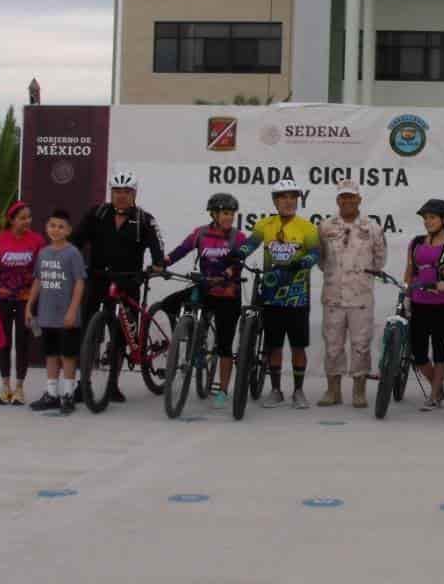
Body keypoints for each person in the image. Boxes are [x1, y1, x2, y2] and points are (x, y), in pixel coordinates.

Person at [71, 169, 166, 403]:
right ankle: (83, 384)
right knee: (88, 335)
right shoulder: (97, 213)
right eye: (117, 191)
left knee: (121, 336)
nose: (121, 196)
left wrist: (157, 264)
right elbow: (76, 241)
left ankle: (113, 385)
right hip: (98, 280)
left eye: (126, 191)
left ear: (134, 194)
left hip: (128, 282)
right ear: (111, 193)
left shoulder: (145, 220)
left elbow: (157, 249)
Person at [237, 175, 321, 409]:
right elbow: (251, 243)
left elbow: (316, 254)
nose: (288, 201)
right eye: (282, 197)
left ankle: (298, 391)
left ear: (298, 200)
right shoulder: (265, 225)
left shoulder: (307, 227)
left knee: (297, 346)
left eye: (292, 197)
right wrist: (239, 253)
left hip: (297, 297)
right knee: (273, 345)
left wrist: (302, 262)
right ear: (275, 201)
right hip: (271, 296)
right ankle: (275, 390)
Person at [164, 192, 247, 407]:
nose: (229, 217)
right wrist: (163, 263)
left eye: (231, 213)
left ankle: (223, 390)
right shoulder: (200, 234)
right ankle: (191, 339)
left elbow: (239, 262)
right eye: (225, 213)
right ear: (214, 214)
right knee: (169, 303)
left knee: (224, 345)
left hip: (228, 293)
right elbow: (181, 251)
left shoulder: (238, 237)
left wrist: (229, 272)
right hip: (204, 288)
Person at [317, 184, 388, 409]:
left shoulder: (372, 227)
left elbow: (379, 259)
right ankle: (333, 391)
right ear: (338, 200)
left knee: (361, 345)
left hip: (360, 299)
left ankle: (359, 391)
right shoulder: (326, 226)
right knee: (333, 345)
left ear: (359, 199)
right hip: (333, 297)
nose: (347, 201)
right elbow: (321, 259)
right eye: (343, 197)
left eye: (352, 197)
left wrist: (358, 277)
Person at [0, 200, 46, 405]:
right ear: (11, 220)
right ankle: (5, 387)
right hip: (1, 300)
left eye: (29, 217)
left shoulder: (37, 241)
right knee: (3, 344)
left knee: (23, 343)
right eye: (22, 218)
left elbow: (40, 273)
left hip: (25, 301)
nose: (26, 221)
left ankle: (19, 388)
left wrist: (35, 302)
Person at [27, 208, 88, 414]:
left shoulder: (73, 253)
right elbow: (38, 280)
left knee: (68, 355)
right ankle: (52, 393)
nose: (56, 229)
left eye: (61, 227)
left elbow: (79, 283)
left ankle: (68, 394)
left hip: (67, 316)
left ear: (69, 230)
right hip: (47, 315)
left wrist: (72, 310)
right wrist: (29, 305)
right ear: (46, 228)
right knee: (51, 354)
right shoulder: (43, 253)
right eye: (52, 225)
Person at [406, 200, 444, 411]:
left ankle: (435, 394)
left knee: (439, 349)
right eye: (425, 218)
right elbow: (410, 271)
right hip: (419, 302)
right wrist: (407, 290)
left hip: (443, 304)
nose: (428, 221)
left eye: (432, 217)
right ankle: (437, 385)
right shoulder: (417, 242)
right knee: (419, 354)